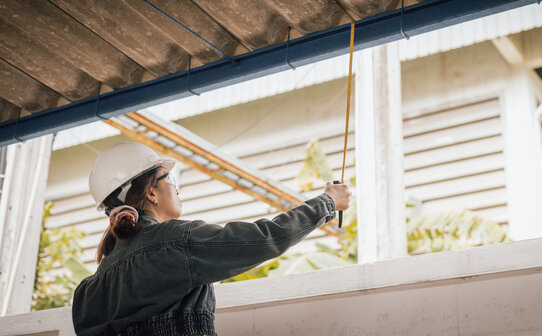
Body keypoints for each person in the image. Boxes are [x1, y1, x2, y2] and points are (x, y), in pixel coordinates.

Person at [72, 142, 350, 335]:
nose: (176, 189)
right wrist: (327, 203)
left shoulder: (86, 294)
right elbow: (264, 238)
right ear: (151, 193)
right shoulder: (175, 242)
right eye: (169, 178)